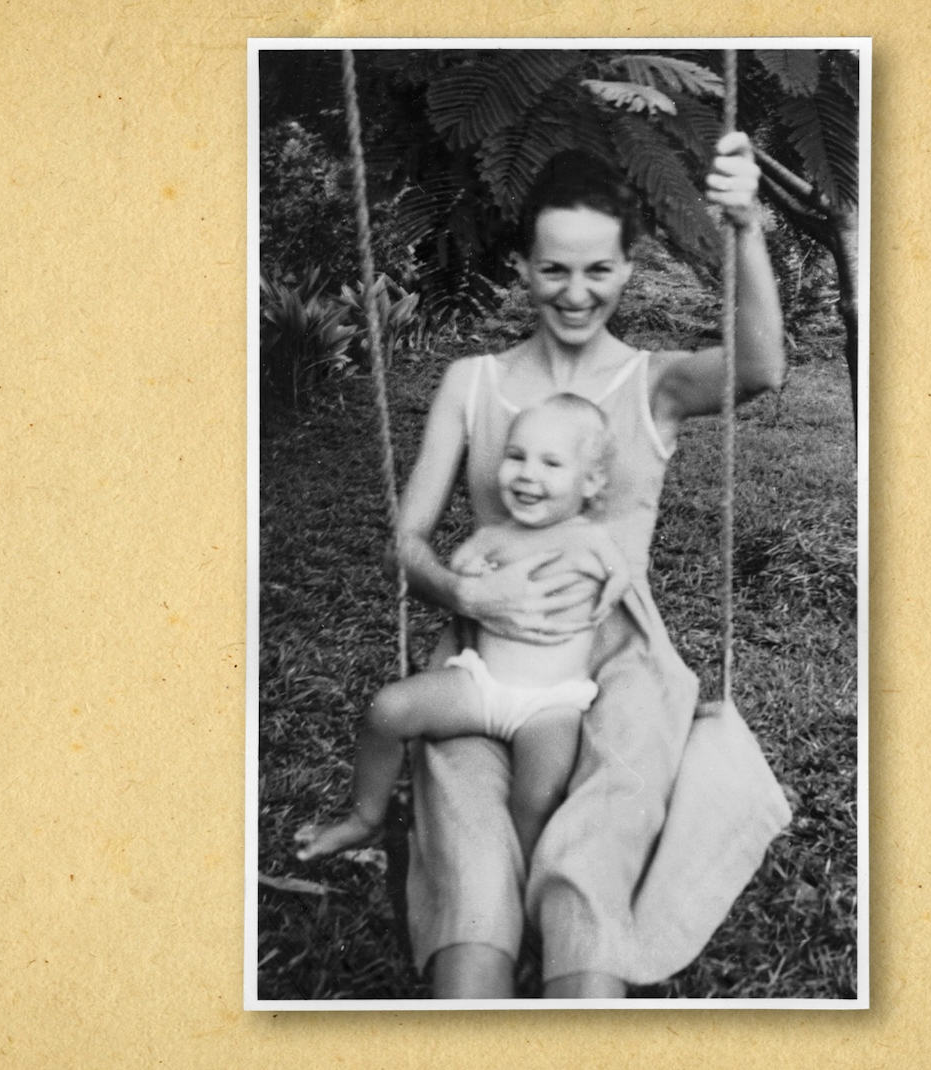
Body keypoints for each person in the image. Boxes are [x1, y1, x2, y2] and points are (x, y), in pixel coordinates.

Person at [396, 132, 793, 999]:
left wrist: (746, 225)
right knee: (468, 848)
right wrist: (465, 589)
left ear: (627, 265)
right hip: (486, 648)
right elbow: (408, 540)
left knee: (594, 850)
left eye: (599, 272)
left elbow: (763, 366)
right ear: (526, 266)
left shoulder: (654, 385)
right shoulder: (474, 383)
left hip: (623, 661)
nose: (576, 295)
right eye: (553, 271)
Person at [293, 394, 631, 863]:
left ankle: (524, 885)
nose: (527, 473)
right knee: (387, 710)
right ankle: (365, 819)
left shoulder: (591, 539)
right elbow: (459, 570)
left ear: (592, 481)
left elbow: (622, 571)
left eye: (551, 463)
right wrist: (469, 574)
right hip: (481, 685)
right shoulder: (493, 536)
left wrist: (613, 589)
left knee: (538, 795)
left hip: (551, 704)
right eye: (516, 456)